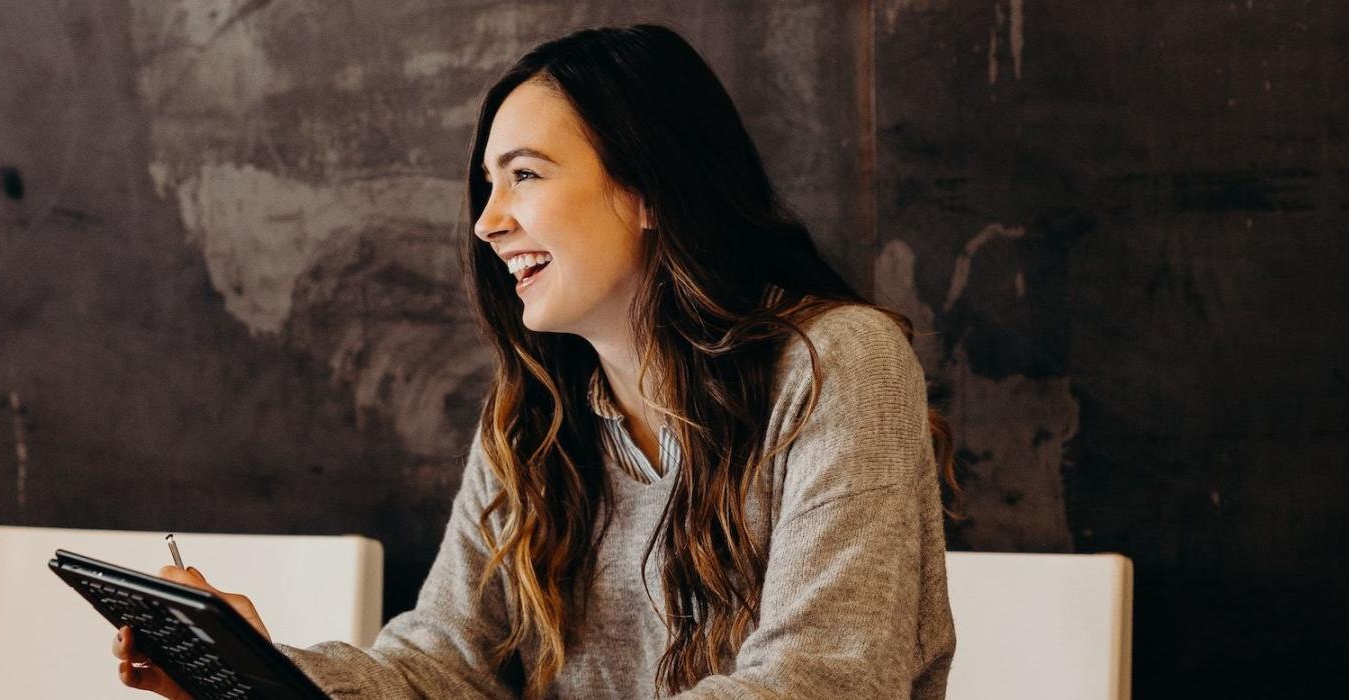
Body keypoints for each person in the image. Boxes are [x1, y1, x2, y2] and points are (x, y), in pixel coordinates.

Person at [113, 23, 958, 699]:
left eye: (525, 175)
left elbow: (826, 678)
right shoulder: (534, 417)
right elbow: (444, 666)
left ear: (648, 191)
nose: (488, 221)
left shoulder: (836, 365)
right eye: (487, 184)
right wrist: (266, 673)